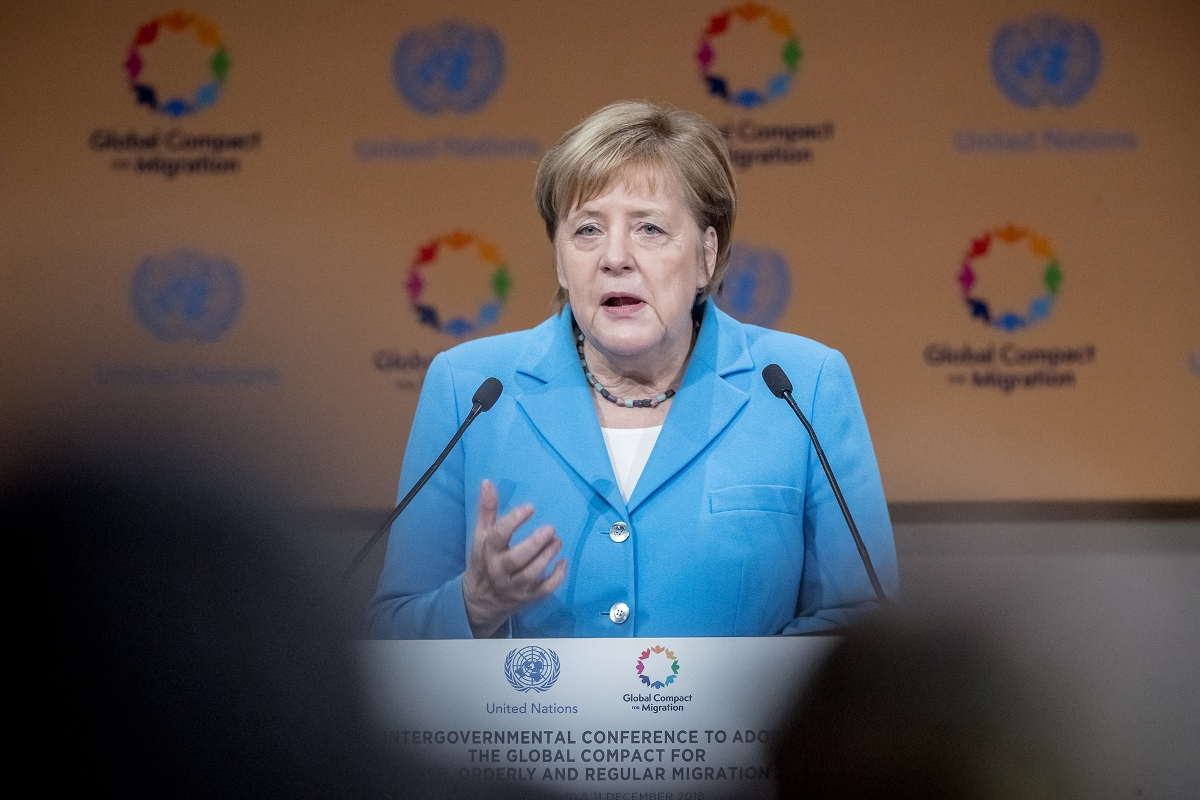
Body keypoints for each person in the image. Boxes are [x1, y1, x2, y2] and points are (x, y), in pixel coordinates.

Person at [369, 100, 898, 639]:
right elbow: (391, 627)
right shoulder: (471, 391)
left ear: (706, 255)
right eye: (587, 231)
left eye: (648, 228)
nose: (614, 257)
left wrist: (744, 697)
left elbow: (863, 617)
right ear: (559, 259)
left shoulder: (801, 386)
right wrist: (474, 604)